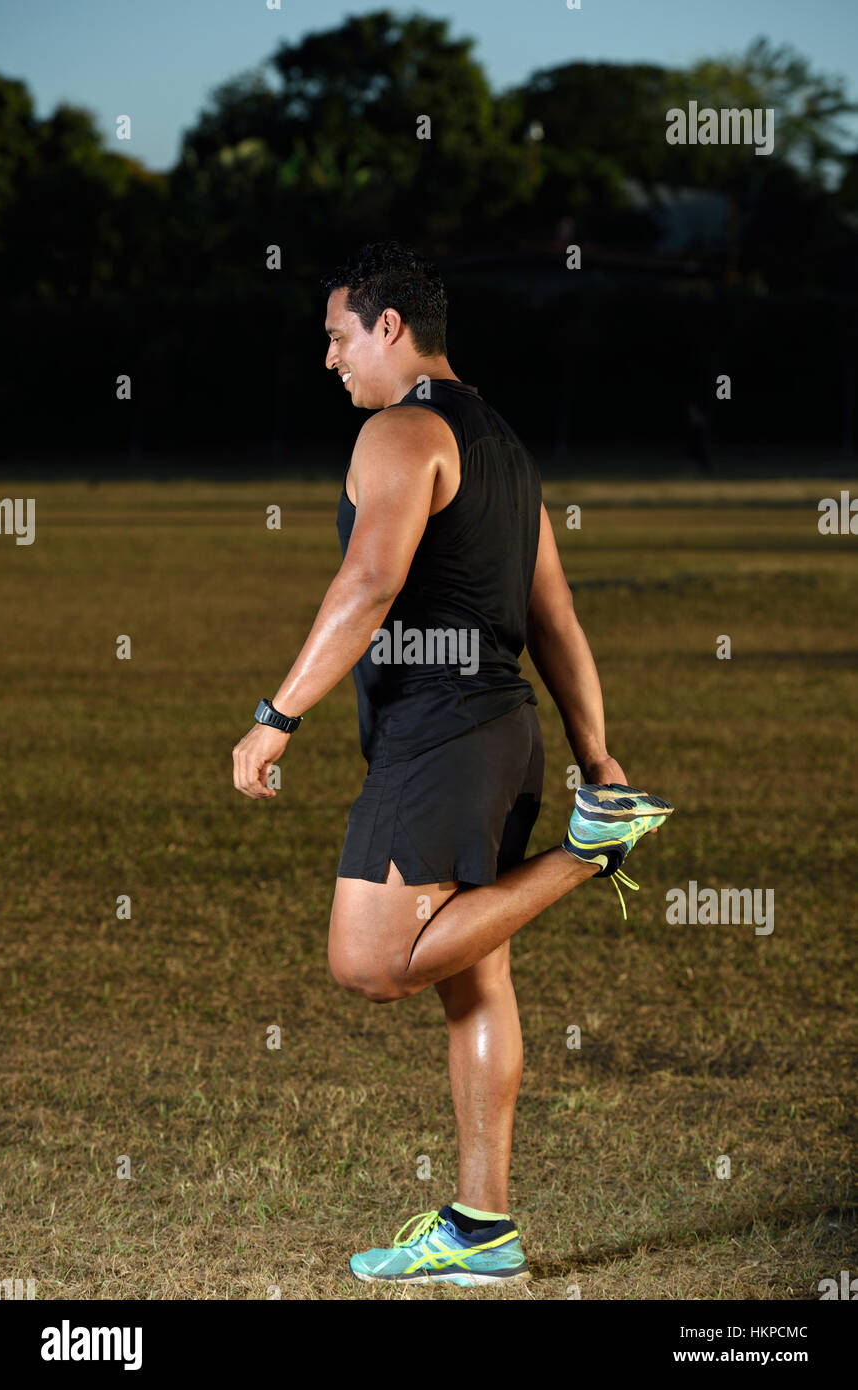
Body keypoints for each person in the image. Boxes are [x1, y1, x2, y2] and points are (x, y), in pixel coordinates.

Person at [232, 241, 673, 1286]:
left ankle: (584, 853)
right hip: (504, 732)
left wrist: (275, 715)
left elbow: (367, 584)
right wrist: (596, 753)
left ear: (391, 327)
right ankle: (484, 1226)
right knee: (475, 980)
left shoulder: (403, 430)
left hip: (443, 734)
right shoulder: (506, 447)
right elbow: (554, 617)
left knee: (372, 959)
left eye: (340, 337)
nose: (331, 360)